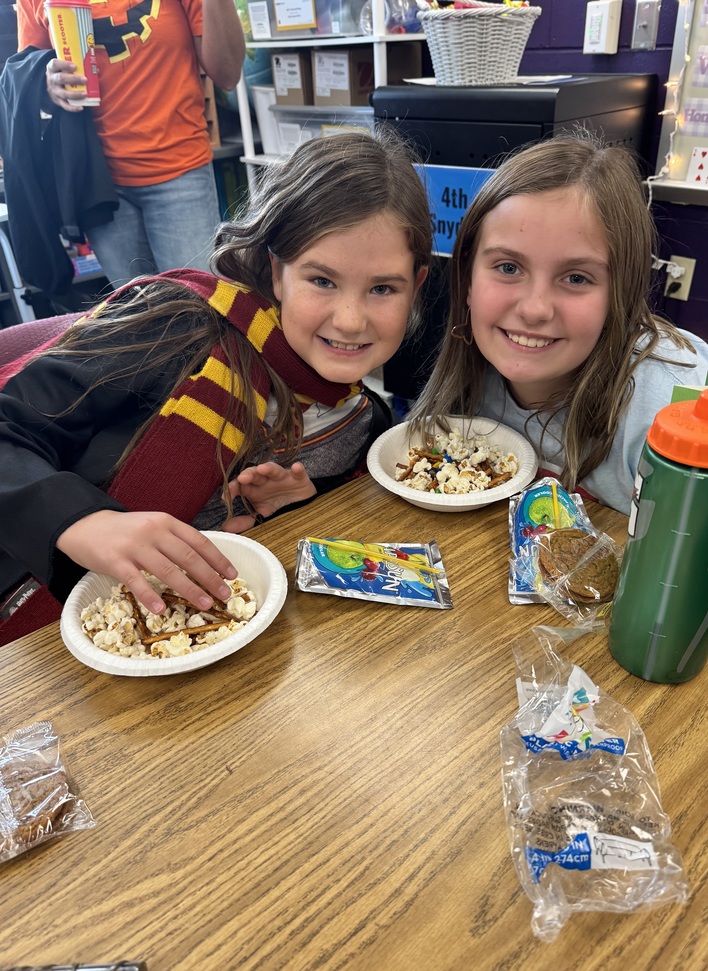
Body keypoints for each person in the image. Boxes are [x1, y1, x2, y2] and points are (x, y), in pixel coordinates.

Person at [0, 129, 431, 643]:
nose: (351, 319)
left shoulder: (367, 422)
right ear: (276, 271)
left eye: (382, 288)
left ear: (417, 287)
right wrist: (84, 521)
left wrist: (299, 504)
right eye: (321, 280)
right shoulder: (174, 329)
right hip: (52, 634)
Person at [408, 132, 708, 516]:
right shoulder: (471, 374)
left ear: (620, 296)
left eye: (577, 278)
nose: (534, 310)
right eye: (508, 267)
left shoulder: (670, 407)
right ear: (467, 280)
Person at [15, 0, 245, 288]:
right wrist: (46, 83)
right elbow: (23, 80)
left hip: (179, 171)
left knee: (201, 312)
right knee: (137, 319)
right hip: (98, 185)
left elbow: (227, 74)